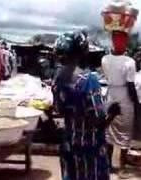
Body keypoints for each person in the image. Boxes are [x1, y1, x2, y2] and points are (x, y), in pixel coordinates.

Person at [53, 31, 120, 180]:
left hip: (69, 144)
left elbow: (58, 109)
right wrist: (113, 112)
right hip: (89, 147)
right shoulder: (89, 80)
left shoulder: (58, 80)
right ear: (83, 52)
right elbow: (99, 123)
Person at [101, 31, 139, 179]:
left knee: (109, 131)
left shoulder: (104, 59)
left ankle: (109, 166)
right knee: (125, 132)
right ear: (125, 43)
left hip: (110, 96)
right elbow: (130, 86)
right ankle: (122, 168)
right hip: (125, 97)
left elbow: (107, 77)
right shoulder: (130, 61)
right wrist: (137, 103)